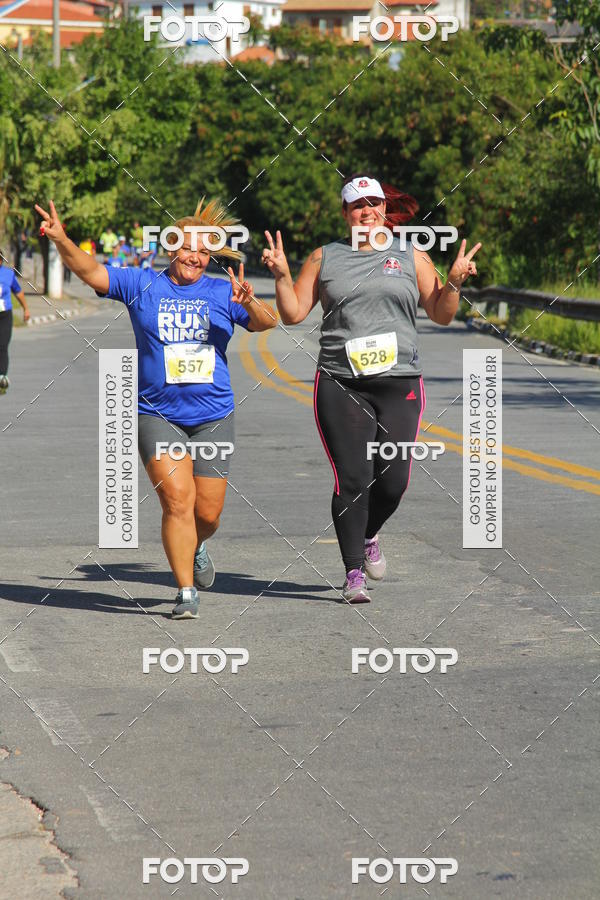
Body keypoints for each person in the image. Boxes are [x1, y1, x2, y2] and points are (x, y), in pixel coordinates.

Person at [35, 198, 276, 618]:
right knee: (178, 502)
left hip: (214, 417)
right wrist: (61, 240)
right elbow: (90, 271)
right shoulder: (141, 284)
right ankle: (185, 591)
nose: (195, 258)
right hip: (156, 415)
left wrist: (250, 301)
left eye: (204, 252)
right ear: (171, 249)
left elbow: (266, 322)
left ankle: (198, 544)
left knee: (208, 513)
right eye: (188, 248)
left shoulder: (223, 290)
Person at [262, 173, 481, 604]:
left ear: (384, 208)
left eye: (374, 202)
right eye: (357, 204)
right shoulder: (325, 258)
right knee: (354, 478)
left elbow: (440, 312)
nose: (367, 211)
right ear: (346, 213)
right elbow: (292, 313)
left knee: (394, 481)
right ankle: (353, 573)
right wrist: (283, 276)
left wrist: (453, 281)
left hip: (399, 382)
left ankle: (369, 534)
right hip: (341, 382)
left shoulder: (410, 254)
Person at [0, 251, 30, 394]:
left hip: (5, 315)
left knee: (3, 345)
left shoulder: (8, 274)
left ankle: (2, 376)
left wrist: (26, 309)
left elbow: (18, 292)